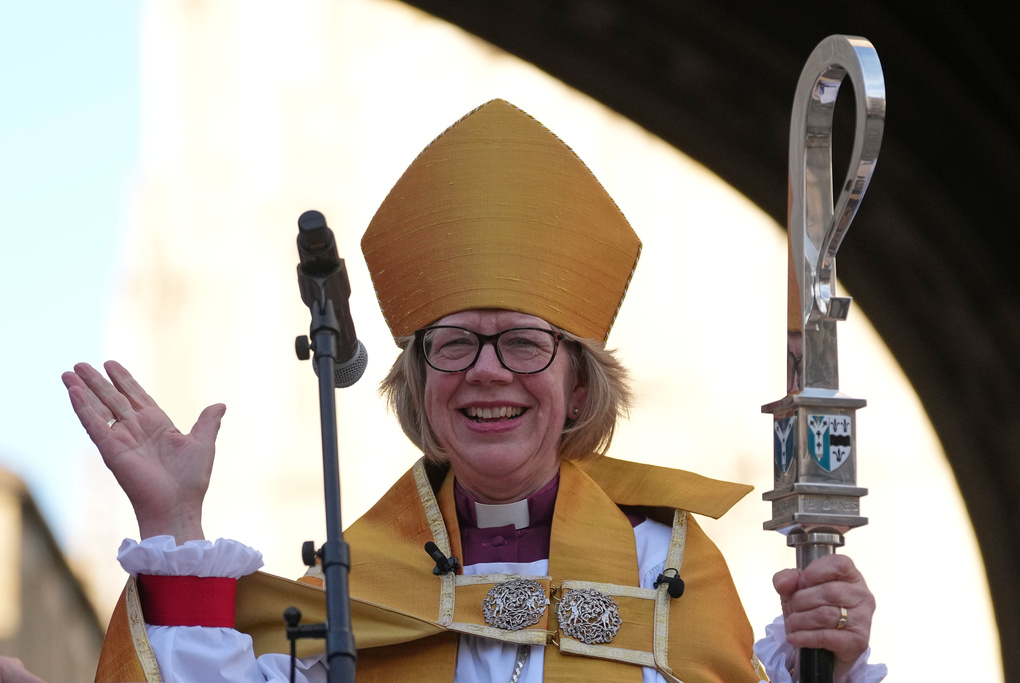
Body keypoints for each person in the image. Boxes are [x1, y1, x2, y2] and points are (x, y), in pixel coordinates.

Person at [65, 100, 885, 683]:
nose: (488, 370)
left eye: (525, 342)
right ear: (420, 382)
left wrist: (827, 659)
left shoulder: (665, 567)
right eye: (454, 343)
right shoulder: (349, 593)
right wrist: (172, 522)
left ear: (576, 376)